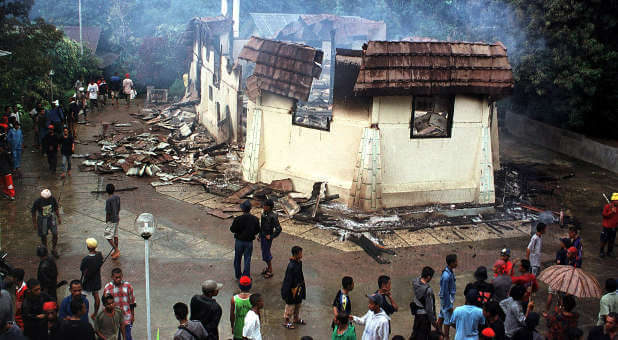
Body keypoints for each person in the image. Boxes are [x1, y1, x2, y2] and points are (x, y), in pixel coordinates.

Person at [230, 200, 260, 279]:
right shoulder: (255, 219)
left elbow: (232, 229)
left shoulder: (238, 219)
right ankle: (246, 277)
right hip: (249, 242)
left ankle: (238, 275)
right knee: (247, 260)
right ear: (250, 209)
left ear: (242, 209)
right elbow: (257, 230)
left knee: (237, 259)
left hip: (239, 241)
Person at [103, 268, 135, 340]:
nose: (118, 279)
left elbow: (132, 302)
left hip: (126, 317)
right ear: (112, 277)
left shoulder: (128, 286)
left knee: (127, 337)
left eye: (120, 277)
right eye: (116, 277)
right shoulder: (108, 288)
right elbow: (106, 304)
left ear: (122, 276)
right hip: (114, 319)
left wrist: (132, 315)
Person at [281, 246, 306, 329]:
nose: (301, 254)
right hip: (292, 289)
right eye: (300, 253)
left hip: (298, 287)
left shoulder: (299, 263)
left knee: (298, 304)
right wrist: (286, 291)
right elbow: (288, 280)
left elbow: (300, 274)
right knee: (290, 306)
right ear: (296, 254)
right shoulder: (291, 266)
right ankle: (286, 321)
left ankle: (296, 318)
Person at [31, 189, 61, 258]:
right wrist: (35, 223)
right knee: (43, 235)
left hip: (51, 217)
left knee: (55, 233)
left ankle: (54, 249)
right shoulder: (37, 201)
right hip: (42, 219)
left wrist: (58, 217)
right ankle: (45, 250)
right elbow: (33, 212)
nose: (47, 200)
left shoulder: (52, 199)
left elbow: (56, 208)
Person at [411, 266, 437, 340]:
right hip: (424, 317)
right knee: (423, 336)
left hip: (417, 314)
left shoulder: (415, 282)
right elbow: (429, 309)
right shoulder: (428, 290)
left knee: (415, 334)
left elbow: (419, 278)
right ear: (428, 277)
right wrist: (434, 322)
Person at [80, 238, 103, 320]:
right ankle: (95, 313)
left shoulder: (86, 259)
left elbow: (82, 269)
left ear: (88, 247)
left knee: (82, 297)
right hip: (96, 279)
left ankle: (82, 312)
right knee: (96, 296)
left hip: (88, 280)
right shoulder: (99, 255)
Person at [259, 199, 281, 278]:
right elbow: (262, 226)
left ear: (269, 207)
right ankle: (268, 268)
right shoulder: (263, 214)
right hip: (263, 236)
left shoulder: (273, 216)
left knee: (266, 253)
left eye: (265, 205)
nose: (263, 206)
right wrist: (259, 235)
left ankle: (270, 270)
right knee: (264, 252)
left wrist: (271, 236)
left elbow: (279, 229)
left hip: (267, 238)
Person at [438, 253, 458, 340]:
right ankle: (446, 337)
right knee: (447, 320)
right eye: (456, 262)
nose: (457, 263)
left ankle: (437, 332)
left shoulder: (449, 272)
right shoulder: (446, 276)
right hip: (447, 300)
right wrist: (449, 305)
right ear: (451, 263)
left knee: (441, 315)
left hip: (446, 300)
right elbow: (444, 292)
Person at [105, 184, 121, 259]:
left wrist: (107, 220)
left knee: (108, 236)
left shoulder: (108, 200)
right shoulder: (117, 197)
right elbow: (119, 208)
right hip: (117, 218)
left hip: (111, 220)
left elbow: (108, 212)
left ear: (107, 191)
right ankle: (115, 251)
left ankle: (116, 250)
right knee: (115, 235)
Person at [601, 194, 618, 258]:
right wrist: (611, 212)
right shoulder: (607, 206)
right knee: (604, 240)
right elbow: (604, 215)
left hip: (614, 227)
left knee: (612, 240)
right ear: (613, 200)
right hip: (607, 227)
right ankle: (601, 251)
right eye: (617, 200)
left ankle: (609, 252)